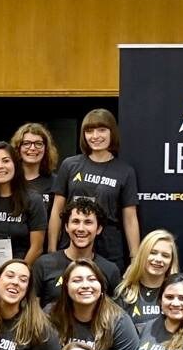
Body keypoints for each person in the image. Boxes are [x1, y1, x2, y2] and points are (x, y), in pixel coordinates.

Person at [48, 109, 140, 262]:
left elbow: (130, 218)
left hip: (108, 250)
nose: (95, 136)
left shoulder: (125, 171)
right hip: (71, 247)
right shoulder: (70, 165)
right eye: (89, 131)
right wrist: (52, 249)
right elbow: (57, 210)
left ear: (112, 132)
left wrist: (135, 257)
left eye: (102, 130)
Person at [48, 259, 138, 350]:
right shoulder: (51, 315)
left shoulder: (119, 321)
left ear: (101, 286)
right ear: (66, 287)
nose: (85, 285)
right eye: (77, 280)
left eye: (92, 279)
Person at [0, 143, 47, 277]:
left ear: (16, 165)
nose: (0, 166)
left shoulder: (33, 200)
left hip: (22, 275)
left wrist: (15, 275)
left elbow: (37, 248)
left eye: (6, 161)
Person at [32, 197, 122, 303]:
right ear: (66, 226)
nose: (81, 229)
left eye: (88, 222)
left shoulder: (110, 270)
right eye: (75, 221)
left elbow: (115, 311)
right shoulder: (43, 265)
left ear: (99, 229)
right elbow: (33, 309)